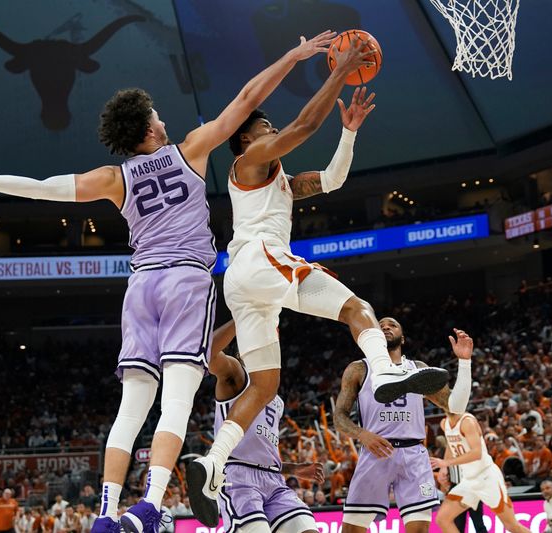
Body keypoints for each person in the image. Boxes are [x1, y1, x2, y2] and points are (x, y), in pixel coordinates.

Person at [0, 30, 337, 533]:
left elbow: (42, 190)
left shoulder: (114, 178)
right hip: (186, 282)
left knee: (131, 407)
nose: (164, 119)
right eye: (157, 116)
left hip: (141, 287)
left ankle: (105, 513)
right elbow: (247, 99)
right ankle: (149, 504)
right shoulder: (190, 150)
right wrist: (293, 55)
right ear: (148, 130)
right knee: (177, 399)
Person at [188, 36, 449, 526]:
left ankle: (210, 464)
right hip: (262, 259)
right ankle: (388, 372)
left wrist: (348, 132)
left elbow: (331, 179)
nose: (270, 127)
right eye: (264, 124)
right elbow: (305, 124)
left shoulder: (276, 177)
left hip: (244, 281)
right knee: (357, 309)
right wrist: (340, 70)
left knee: (264, 386)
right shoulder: (249, 160)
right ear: (247, 137)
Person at [333, 321, 474, 533]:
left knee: (419, 530)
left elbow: (456, 406)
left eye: (393, 325)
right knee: (352, 530)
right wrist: (362, 435)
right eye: (380, 325)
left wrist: (464, 363)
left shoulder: (418, 369)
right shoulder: (359, 369)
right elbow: (339, 417)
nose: (386, 327)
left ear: (403, 337)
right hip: (375, 452)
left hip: (413, 455)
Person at [207, 320, 324, 533]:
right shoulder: (237, 373)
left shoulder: (275, 398)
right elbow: (209, 354)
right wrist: (243, 318)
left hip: (274, 480)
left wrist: (293, 469)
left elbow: (261, 450)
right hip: (238, 476)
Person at [431, 410, 532, 533]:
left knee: (512, 526)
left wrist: (447, 463)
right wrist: (444, 468)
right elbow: (451, 446)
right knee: (442, 519)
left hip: (486, 477)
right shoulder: (444, 423)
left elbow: (476, 454)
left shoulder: (467, 421)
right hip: (468, 480)